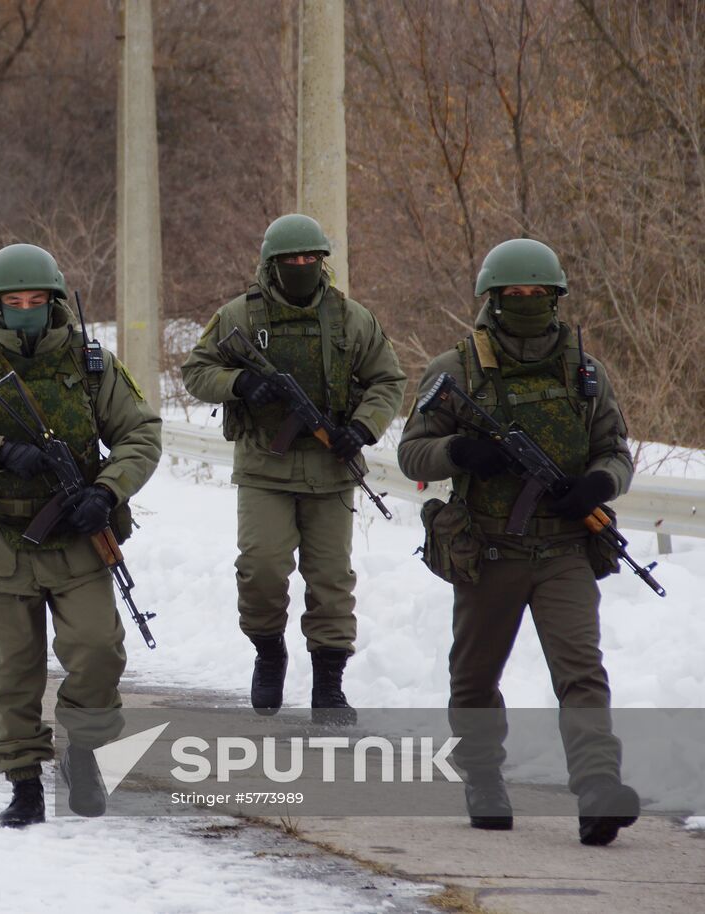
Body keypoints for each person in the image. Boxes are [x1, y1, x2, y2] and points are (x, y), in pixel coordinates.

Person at [0, 243, 162, 828]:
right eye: (13, 302)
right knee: (12, 669)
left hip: (77, 535)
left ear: (55, 303)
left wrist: (108, 491)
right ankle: (24, 779)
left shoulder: (90, 363)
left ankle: (87, 753)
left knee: (99, 650)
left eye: (36, 301)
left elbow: (141, 433)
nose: (25, 310)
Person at [397, 238, 640, 846]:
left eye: (537, 293)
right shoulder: (456, 369)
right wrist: (459, 452)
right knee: (475, 678)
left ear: (556, 298)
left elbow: (616, 451)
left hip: (563, 551)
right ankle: (482, 776)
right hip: (490, 550)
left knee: (582, 672)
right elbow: (410, 452)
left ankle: (598, 788)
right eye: (514, 294)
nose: (526, 301)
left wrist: (597, 485)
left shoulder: (585, 370)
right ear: (493, 299)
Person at [180, 214, 406, 722]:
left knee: (330, 579)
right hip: (264, 466)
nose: (302, 267)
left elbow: (388, 379)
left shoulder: (350, 318)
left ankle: (329, 685)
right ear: (271, 264)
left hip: (331, 467)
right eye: (291, 260)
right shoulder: (241, 316)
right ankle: (268, 652)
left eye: (310, 259)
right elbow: (196, 370)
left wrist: (364, 428)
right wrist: (238, 384)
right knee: (261, 569)